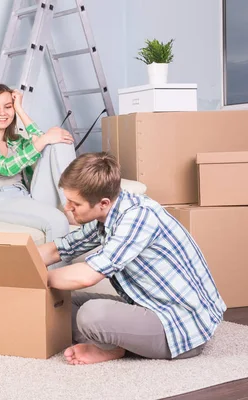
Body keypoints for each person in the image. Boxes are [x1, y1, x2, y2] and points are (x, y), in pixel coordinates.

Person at [37, 152, 227, 365]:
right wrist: (14, 262)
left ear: (103, 202)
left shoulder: (138, 217)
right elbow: (60, 249)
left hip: (179, 323)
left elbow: (87, 276)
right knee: (62, 302)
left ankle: (110, 348)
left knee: (91, 315)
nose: (67, 208)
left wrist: (33, 278)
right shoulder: (108, 212)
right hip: (146, 303)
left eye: (75, 204)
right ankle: (113, 343)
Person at [0, 83, 77, 245]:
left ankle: (71, 204)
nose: (2, 113)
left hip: (27, 194)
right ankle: (55, 271)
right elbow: (6, 167)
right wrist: (45, 139)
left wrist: (20, 110)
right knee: (57, 221)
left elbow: (42, 140)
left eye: (8, 107)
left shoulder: (16, 141)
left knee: (59, 141)